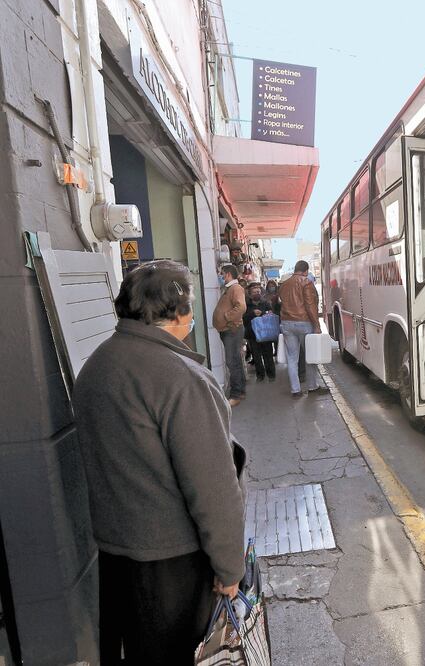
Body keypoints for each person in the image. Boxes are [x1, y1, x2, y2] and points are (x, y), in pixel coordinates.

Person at [72, 260, 244, 666]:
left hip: (115, 554)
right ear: (180, 312)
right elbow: (213, 488)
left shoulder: (96, 365)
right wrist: (229, 566)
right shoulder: (182, 379)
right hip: (173, 566)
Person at [278, 260, 328, 397]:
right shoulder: (306, 282)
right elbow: (310, 305)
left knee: (292, 358)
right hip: (304, 322)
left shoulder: (284, 285)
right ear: (306, 270)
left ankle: (296, 390)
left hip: (287, 323)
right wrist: (316, 325)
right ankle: (312, 386)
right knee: (310, 355)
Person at [213, 264, 247, 407]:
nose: (220, 276)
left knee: (232, 362)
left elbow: (241, 307)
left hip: (232, 330)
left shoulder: (235, 288)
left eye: (222, 274)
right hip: (229, 331)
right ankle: (240, 391)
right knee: (235, 361)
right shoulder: (230, 289)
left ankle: (236, 395)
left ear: (227, 274)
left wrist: (226, 317)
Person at [243, 282, 277, 382]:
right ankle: (260, 375)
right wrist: (252, 314)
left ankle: (271, 374)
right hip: (252, 335)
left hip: (265, 334)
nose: (257, 293)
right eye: (254, 292)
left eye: (258, 291)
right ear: (250, 294)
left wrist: (264, 313)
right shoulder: (246, 305)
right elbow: (243, 318)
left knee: (268, 355)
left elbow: (271, 315)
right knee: (256, 356)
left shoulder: (266, 303)